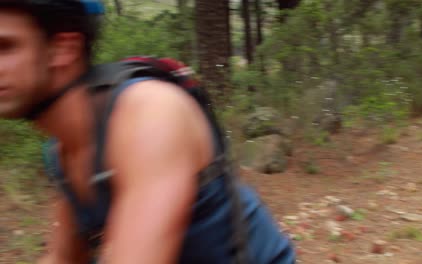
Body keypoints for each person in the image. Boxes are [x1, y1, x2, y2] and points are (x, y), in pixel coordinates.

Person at [0, 1, 296, 263]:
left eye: (5, 46)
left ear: (63, 49)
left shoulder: (149, 113)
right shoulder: (64, 150)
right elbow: (62, 257)